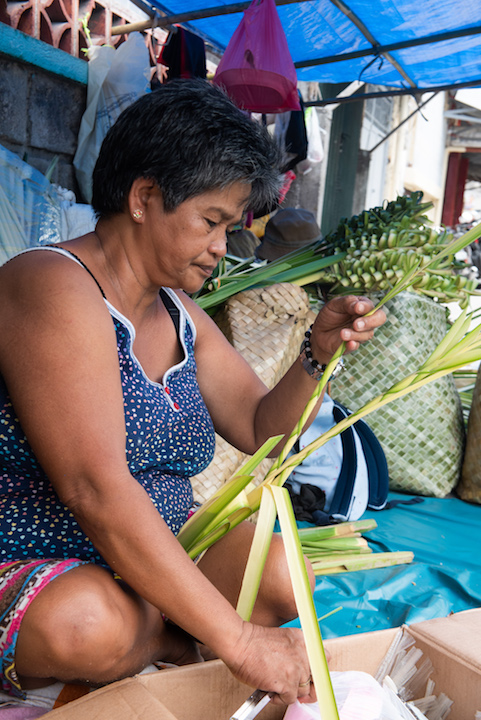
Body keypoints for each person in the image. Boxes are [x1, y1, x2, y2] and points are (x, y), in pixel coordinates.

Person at [0, 78, 386, 707]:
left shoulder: (179, 311)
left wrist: (318, 355)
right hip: (42, 569)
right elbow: (94, 488)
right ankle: (179, 648)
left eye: (229, 226)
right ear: (145, 197)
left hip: (152, 571)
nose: (220, 247)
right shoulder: (51, 284)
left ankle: (158, 646)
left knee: (286, 568)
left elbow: (266, 430)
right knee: (90, 625)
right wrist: (235, 639)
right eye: (212, 221)